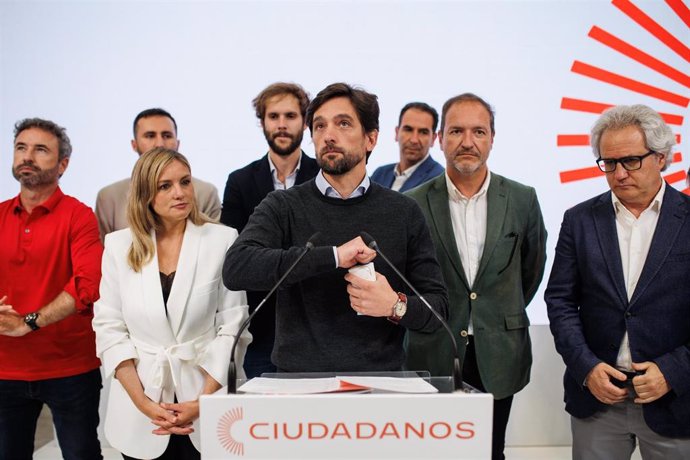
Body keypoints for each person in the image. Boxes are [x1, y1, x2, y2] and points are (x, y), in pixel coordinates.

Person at [223, 82, 448, 373]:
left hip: (380, 387)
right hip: (298, 385)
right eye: (319, 126)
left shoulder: (404, 212)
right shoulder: (282, 205)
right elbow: (236, 268)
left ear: (371, 139)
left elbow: (438, 310)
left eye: (343, 124)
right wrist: (333, 257)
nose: (328, 135)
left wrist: (394, 305)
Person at [404, 93, 547, 460]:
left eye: (478, 131)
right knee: (430, 453)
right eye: (456, 131)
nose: (467, 142)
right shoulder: (412, 203)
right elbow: (405, 277)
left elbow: (529, 272)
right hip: (432, 350)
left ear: (492, 138)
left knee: (490, 452)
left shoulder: (522, 199)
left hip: (498, 351)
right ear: (440, 139)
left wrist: (494, 311)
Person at [545, 104, 690, 459]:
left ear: (661, 158)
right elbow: (560, 301)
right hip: (597, 400)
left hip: (675, 401)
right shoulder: (578, 219)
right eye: (609, 163)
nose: (619, 173)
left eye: (630, 161)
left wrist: (673, 371)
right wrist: (586, 367)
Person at [93, 148, 251, 460]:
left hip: (206, 401)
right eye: (165, 186)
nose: (179, 193)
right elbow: (109, 327)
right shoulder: (118, 246)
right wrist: (142, 402)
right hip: (140, 407)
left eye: (185, 182)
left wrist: (202, 402)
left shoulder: (222, 239)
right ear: (145, 194)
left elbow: (233, 327)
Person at [0, 118, 103, 459]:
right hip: (4, 370)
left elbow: (89, 283)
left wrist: (28, 322)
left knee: (81, 455)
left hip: (70, 369)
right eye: (21, 147)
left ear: (63, 165)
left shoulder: (79, 216)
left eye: (40, 150)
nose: (27, 156)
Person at [220, 82, 319, 378]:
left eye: (290, 116)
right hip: (259, 325)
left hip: (315, 322)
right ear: (262, 122)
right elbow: (236, 256)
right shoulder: (240, 182)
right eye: (273, 116)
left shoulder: (324, 176)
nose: (282, 124)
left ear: (304, 121)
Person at [95, 108, 221, 240]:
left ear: (177, 143)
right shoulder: (108, 197)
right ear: (134, 144)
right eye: (150, 136)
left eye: (167, 135)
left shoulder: (206, 192)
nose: (160, 143)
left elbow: (214, 244)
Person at [371, 102, 444, 192]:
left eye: (423, 132)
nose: (414, 140)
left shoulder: (439, 180)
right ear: (397, 133)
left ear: (433, 139)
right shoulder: (380, 174)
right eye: (408, 130)